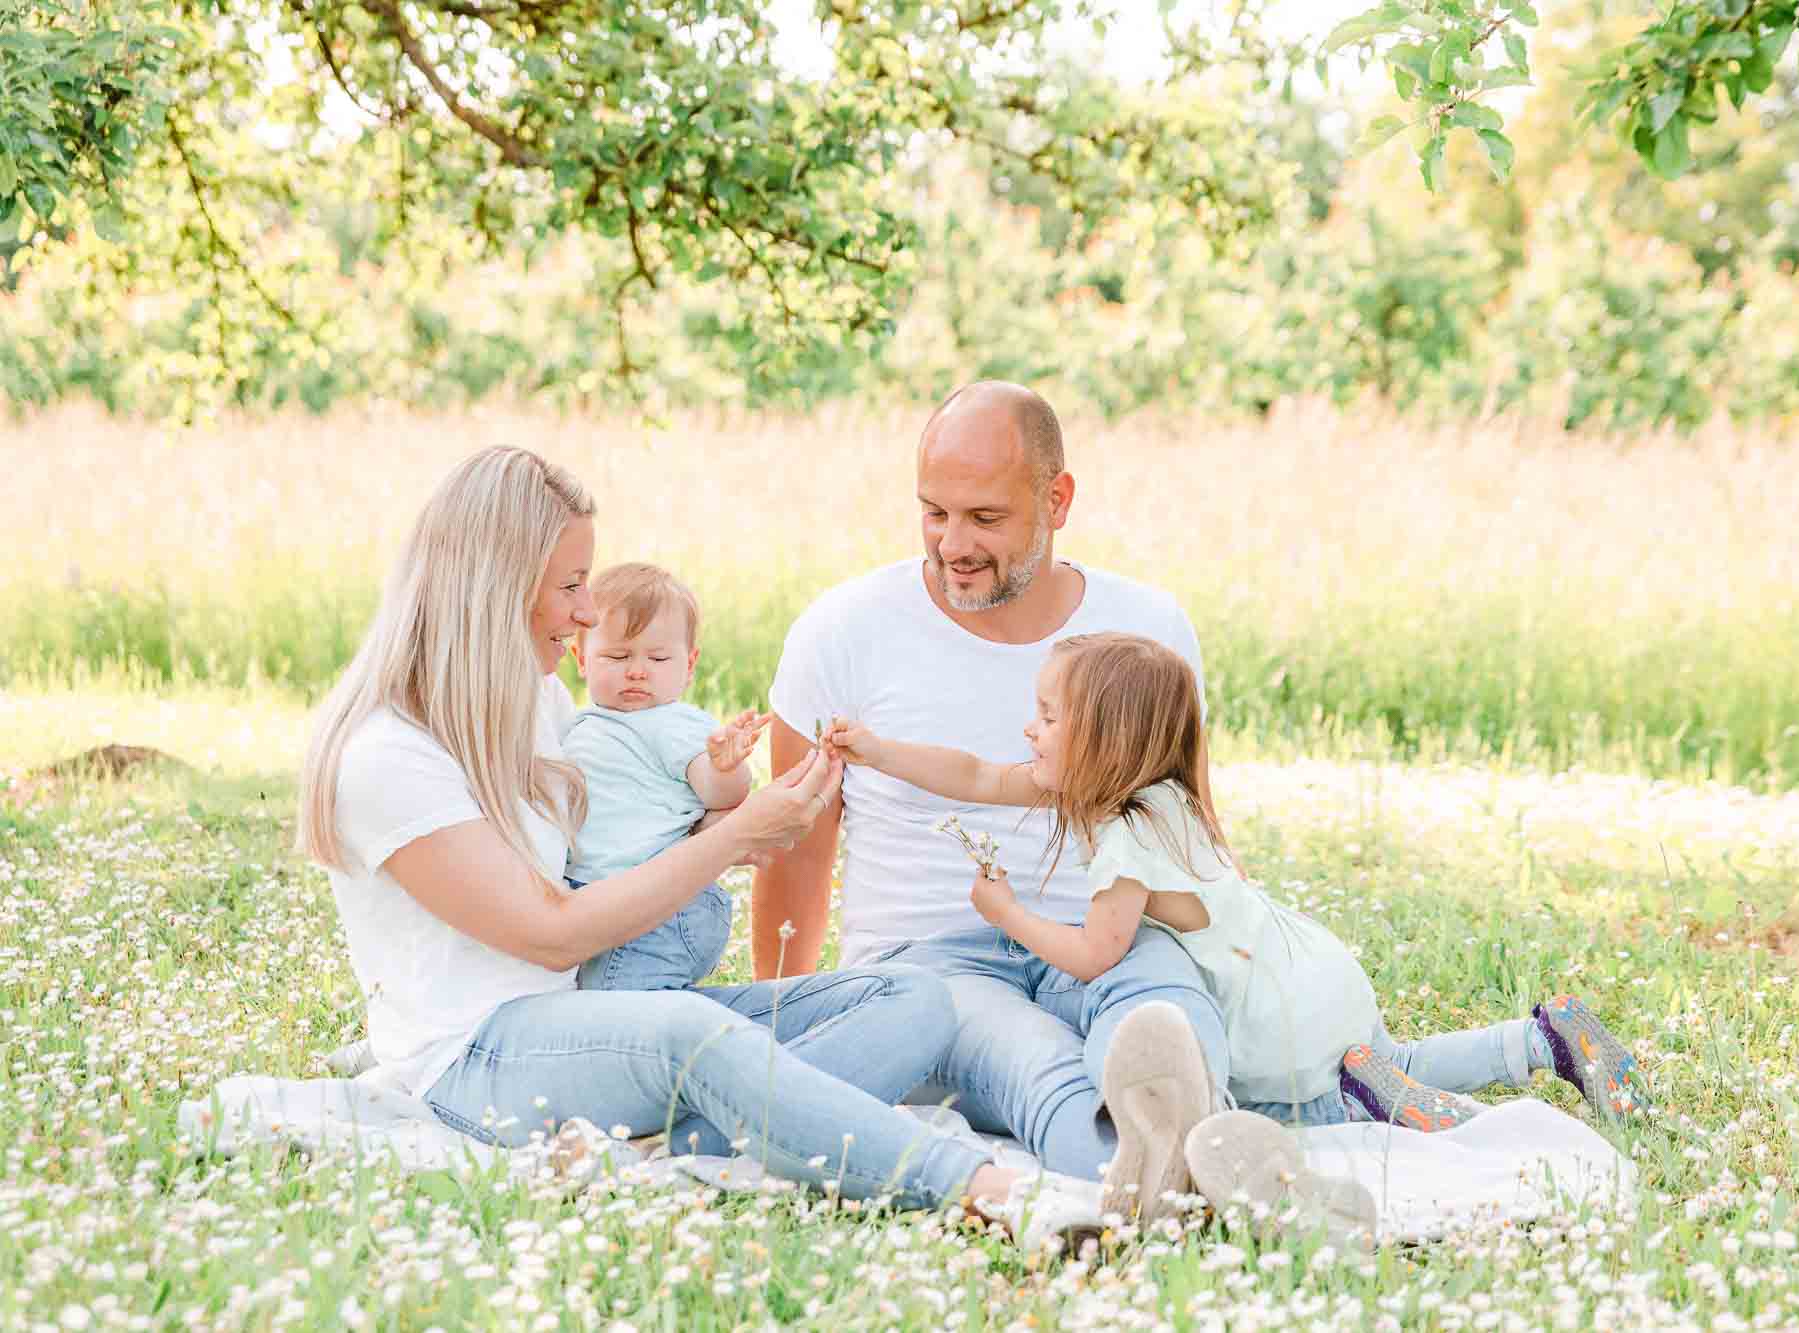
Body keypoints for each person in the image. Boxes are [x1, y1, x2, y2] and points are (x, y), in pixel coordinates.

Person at [294, 445, 1097, 1242]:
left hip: (591, 1013)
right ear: (496, 582)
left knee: (918, 998)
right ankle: (993, 1190)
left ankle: (661, 1147)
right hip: (475, 1057)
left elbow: (610, 838)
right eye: (572, 586)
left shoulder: (530, 699)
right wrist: (732, 841)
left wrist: (719, 817)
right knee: (691, 1036)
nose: (585, 614)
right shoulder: (386, 756)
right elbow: (550, 930)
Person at [824, 630, 1647, 1138]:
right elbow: (971, 773)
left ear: (1104, 739)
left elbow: (1091, 956)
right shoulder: (1158, 792)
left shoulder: (1124, 844)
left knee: (1294, 1115)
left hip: (1260, 1011)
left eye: (1047, 714)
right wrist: (879, 748)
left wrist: (1007, 912)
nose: (1028, 728)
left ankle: (1379, 1110)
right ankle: (1539, 1040)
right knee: (1391, 1056)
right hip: (1310, 973)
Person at [754, 381, 1239, 1222]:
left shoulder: (1147, 627)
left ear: (1058, 500)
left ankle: (1213, 1140)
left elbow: (1183, 824)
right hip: (931, 967)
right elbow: (795, 850)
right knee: (1032, 1056)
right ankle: (1128, 1164)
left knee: (1165, 1006)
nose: (953, 545)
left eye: (984, 517)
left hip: (1102, 934)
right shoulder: (842, 631)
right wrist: (787, 1037)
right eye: (933, 513)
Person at [562, 561, 769, 991]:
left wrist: (725, 767)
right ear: (581, 659)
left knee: (621, 1011)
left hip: (668, 907)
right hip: (608, 902)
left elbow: (718, 794)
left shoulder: (674, 723)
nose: (637, 670)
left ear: (689, 665)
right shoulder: (582, 724)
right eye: (617, 656)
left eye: (658, 658)